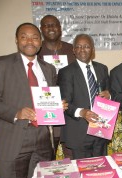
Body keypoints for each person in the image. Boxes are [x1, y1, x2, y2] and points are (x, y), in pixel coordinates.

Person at [0, 23, 57, 178]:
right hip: (13, 139)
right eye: (24, 36)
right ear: (16, 40)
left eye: (35, 37)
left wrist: (59, 105)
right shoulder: (1, 64)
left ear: (40, 42)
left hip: (42, 140)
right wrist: (16, 112)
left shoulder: (48, 69)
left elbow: (49, 99)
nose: (30, 41)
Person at [57, 34, 110, 159]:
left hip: (101, 130)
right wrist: (82, 112)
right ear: (74, 50)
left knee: (102, 170)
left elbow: (108, 93)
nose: (82, 49)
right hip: (79, 131)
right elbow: (65, 103)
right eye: (78, 47)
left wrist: (110, 94)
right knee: (82, 172)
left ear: (92, 49)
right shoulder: (66, 72)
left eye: (86, 46)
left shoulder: (102, 69)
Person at [38, 15, 75, 158]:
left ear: (60, 28)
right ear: (41, 29)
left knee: (71, 155)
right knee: (47, 156)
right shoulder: (36, 51)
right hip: (48, 110)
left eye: (54, 25)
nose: (51, 28)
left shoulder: (71, 49)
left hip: (70, 111)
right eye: (46, 25)